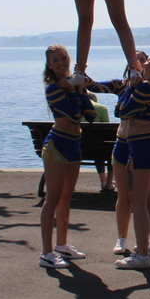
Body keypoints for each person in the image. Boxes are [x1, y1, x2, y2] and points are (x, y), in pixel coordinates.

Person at [89, 51, 150, 269]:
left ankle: (142, 255)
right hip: (137, 144)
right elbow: (96, 87)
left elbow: (122, 110)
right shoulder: (135, 84)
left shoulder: (147, 87)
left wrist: (133, 87)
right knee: (146, 202)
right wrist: (81, 76)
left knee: (140, 201)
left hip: (143, 144)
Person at [38, 45, 97, 269]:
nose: (61, 62)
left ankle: (61, 244)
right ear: (50, 65)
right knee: (52, 198)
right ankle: (46, 252)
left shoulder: (74, 84)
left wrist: (80, 91)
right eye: (55, 60)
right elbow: (72, 115)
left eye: (63, 58)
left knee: (66, 197)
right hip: (57, 145)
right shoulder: (53, 89)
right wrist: (73, 92)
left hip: (74, 145)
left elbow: (90, 115)